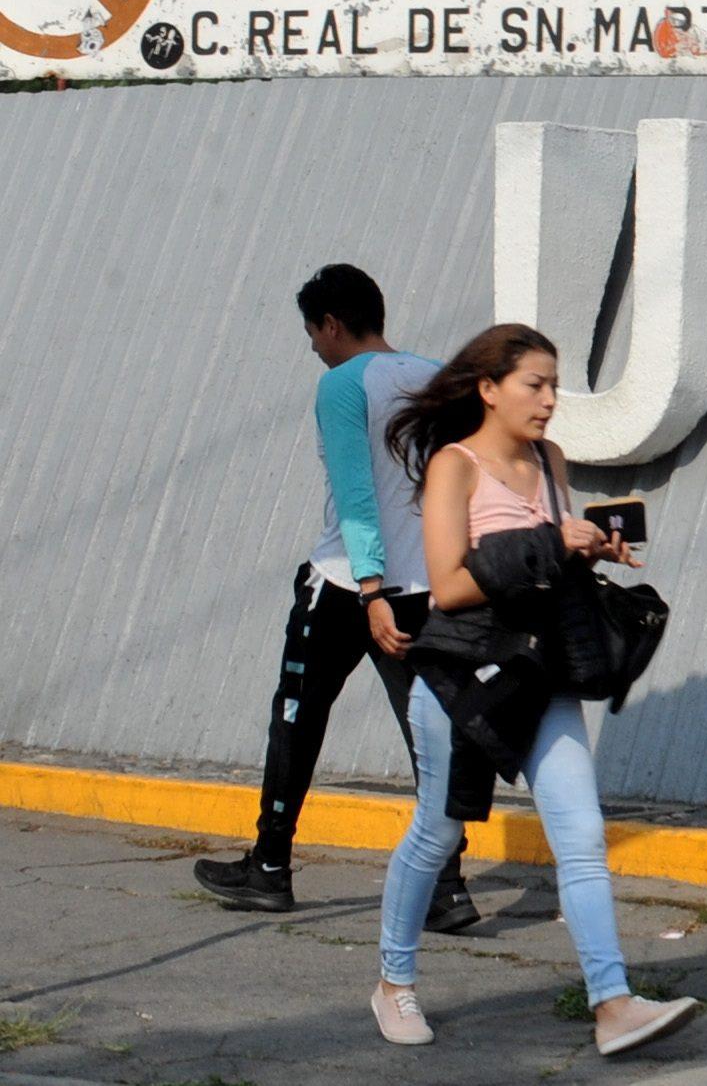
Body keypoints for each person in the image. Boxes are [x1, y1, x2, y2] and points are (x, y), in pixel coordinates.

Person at [370, 323, 700, 1054]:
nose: (550, 400)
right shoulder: (454, 467)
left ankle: (612, 1004)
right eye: (535, 384)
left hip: (541, 671)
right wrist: (553, 542)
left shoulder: (551, 462)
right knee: (439, 830)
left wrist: (589, 546)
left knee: (580, 837)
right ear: (489, 388)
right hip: (464, 679)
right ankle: (393, 983)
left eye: (554, 385)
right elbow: (450, 585)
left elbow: (544, 567)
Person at [193, 265, 479, 933]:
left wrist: (372, 588)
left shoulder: (342, 384)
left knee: (297, 714)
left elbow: (355, 496)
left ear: (331, 323)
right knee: (431, 735)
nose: (313, 347)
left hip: (350, 586)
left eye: (312, 333)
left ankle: (268, 866)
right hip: (428, 586)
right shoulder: (441, 378)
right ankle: (448, 886)